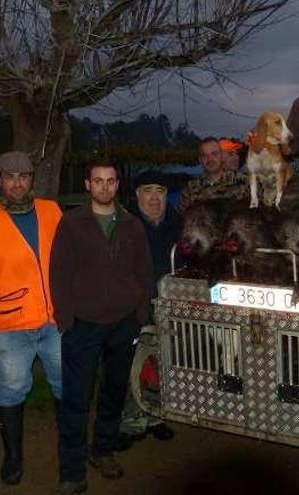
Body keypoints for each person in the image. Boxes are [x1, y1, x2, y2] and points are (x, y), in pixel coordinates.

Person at [0, 151, 63, 486]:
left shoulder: (53, 212)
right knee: (12, 390)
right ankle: (14, 458)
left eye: (23, 176)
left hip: (54, 323)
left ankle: (70, 448)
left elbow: (72, 265)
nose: (17, 183)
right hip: (9, 328)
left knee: (67, 385)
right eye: (9, 176)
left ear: (32, 178)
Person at [51, 161, 152, 494]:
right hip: (82, 325)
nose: (105, 187)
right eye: (98, 181)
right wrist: (66, 319)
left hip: (122, 324)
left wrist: (139, 315)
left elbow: (144, 272)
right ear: (88, 184)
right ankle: (72, 470)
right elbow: (59, 273)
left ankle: (103, 451)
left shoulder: (131, 225)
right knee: (76, 399)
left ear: (117, 185)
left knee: (113, 392)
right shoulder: (72, 223)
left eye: (110, 181)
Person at [115, 171, 180, 451]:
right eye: (147, 190)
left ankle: (156, 417)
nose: (154, 198)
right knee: (134, 365)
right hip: (136, 307)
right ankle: (131, 422)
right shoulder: (125, 226)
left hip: (171, 306)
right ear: (137, 194)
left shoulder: (178, 224)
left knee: (165, 362)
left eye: (160, 191)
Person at [178, 137, 248, 212]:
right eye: (204, 156)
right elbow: (182, 218)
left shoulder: (244, 183)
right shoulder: (191, 189)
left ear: (221, 157)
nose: (210, 159)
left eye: (214, 154)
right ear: (200, 160)